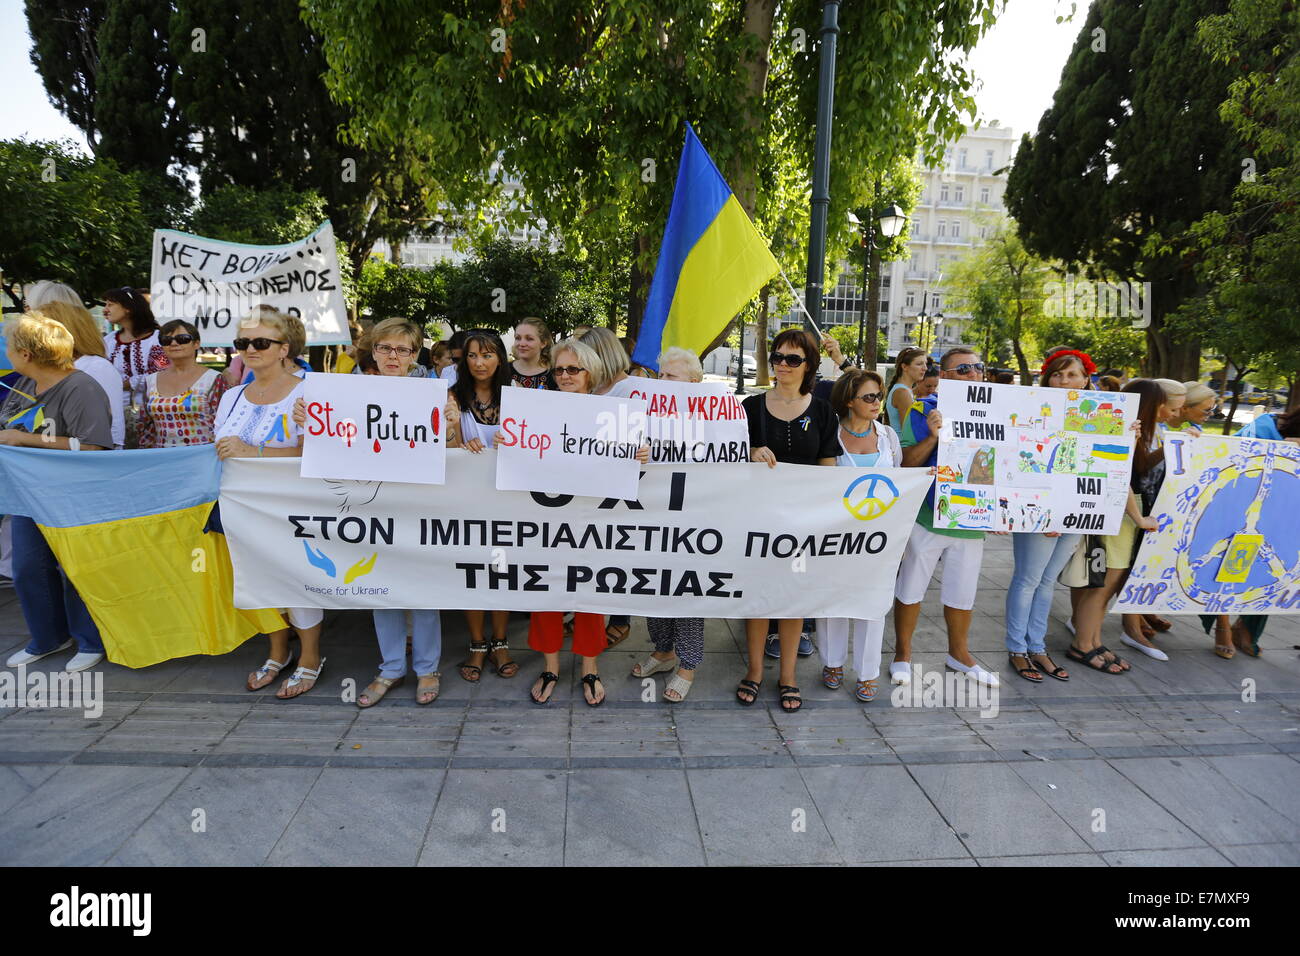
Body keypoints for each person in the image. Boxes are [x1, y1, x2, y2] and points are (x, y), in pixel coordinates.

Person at [295, 316, 446, 706]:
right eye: (385, 348)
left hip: (418, 503)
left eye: (402, 350)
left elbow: (450, 446)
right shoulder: (348, 392)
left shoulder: (434, 392)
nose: (393, 356)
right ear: (373, 351)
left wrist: (449, 425)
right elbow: (335, 442)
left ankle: (428, 668)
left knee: (422, 590)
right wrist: (311, 423)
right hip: (372, 505)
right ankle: (392, 667)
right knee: (381, 588)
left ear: (415, 356)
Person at [521, 336, 648, 706]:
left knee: (590, 594)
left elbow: (632, 463)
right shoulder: (537, 411)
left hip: (593, 519)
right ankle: (551, 667)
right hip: (546, 518)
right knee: (544, 593)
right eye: (559, 369)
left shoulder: (614, 414)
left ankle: (590, 668)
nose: (564, 375)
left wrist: (640, 453)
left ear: (589, 373)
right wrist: (506, 440)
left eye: (573, 369)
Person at [215, 306, 325, 699]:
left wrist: (253, 451)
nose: (250, 349)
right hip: (242, 507)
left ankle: (310, 657)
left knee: (298, 581)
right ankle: (277, 652)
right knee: (259, 580)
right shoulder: (230, 396)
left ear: (284, 348)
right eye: (242, 343)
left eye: (260, 342)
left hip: (292, 504)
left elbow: (319, 452)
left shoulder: (309, 391)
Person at [0, 312, 114, 673]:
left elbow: (93, 446)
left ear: (27, 353)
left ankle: (90, 640)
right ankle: (48, 639)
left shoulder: (81, 386)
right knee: (28, 569)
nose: (7, 352)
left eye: (10, 346)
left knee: (76, 570)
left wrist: (25, 439)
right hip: (29, 496)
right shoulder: (24, 385)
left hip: (72, 498)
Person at [739, 329, 839, 713]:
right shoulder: (749, 407)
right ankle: (753, 671)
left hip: (802, 524)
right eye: (778, 357)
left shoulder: (822, 412)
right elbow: (725, 455)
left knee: (793, 600)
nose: (782, 364)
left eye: (792, 359)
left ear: (808, 364)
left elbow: (828, 468)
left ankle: (788, 676)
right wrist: (749, 451)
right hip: (758, 520)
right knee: (759, 598)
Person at [893, 346, 1000, 688]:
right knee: (910, 588)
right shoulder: (922, 409)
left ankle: (959, 654)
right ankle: (902, 654)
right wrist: (933, 436)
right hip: (927, 515)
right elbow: (907, 463)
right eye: (963, 369)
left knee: (962, 593)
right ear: (946, 376)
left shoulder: (1000, 409)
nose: (973, 374)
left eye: (977, 367)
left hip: (972, 520)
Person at [1002, 348, 1095, 684]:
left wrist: (1130, 435)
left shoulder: (1100, 417)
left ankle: (1036, 646)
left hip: (1075, 512)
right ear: (1047, 378)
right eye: (1057, 374)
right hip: (1039, 510)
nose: (1064, 381)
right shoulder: (1031, 410)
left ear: (1086, 380)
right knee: (1028, 580)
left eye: (1072, 374)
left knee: (1045, 583)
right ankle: (1017, 649)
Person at [1068, 379, 1166, 672]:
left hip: (1122, 512)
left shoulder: (1135, 430)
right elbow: (1120, 476)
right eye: (1162, 404)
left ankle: (1093, 641)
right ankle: (1083, 645)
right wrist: (1138, 518)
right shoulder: (1125, 430)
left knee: (1106, 586)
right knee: (1101, 587)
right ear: (1150, 404)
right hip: (1119, 514)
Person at [630, 347, 709, 702]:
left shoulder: (715, 421)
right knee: (654, 586)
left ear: (694, 382)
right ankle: (663, 651)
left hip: (693, 519)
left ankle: (688, 665)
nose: (662, 383)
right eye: (660, 376)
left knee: (685, 590)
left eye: (671, 377)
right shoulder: (645, 415)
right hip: (653, 515)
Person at [818, 368, 903, 701]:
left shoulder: (887, 437)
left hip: (880, 539)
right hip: (837, 536)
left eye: (879, 396)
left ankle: (867, 672)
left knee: (874, 602)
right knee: (833, 599)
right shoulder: (831, 435)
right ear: (849, 401)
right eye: (869, 397)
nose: (877, 402)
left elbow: (900, 481)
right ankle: (833, 662)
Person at [446, 329, 519, 683]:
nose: (480, 363)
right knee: (473, 571)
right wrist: (459, 438)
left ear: (500, 359)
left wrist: (515, 443)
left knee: (501, 568)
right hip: (466, 500)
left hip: (506, 501)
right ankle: (477, 643)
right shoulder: (452, 397)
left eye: (488, 355)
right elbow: (443, 447)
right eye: (473, 355)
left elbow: (534, 446)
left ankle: (500, 642)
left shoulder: (516, 395)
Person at [578, 325, 636, 647]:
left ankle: (620, 617)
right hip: (592, 483)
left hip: (621, 484)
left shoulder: (629, 389)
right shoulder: (594, 388)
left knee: (619, 554)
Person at [33, 300, 126, 449]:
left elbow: (105, 438)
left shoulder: (96, 367)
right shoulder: (42, 369)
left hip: (84, 465)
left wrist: (23, 439)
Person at [135, 320, 228, 448]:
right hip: (162, 460)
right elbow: (145, 427)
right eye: (166, 340)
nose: (174, 343)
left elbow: (225, 426)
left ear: (196, 344)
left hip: (203, 459)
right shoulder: (150, 381)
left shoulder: (214, 379)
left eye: (182, 339)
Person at [101, 286, 168, 417]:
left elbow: (161, 372)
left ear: (128, 309)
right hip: (112, 409)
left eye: (110, 305)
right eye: (105, 305)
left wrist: (127, 384)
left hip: (149, 411)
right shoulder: (109, 340)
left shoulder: (156, 339)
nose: (105, 310)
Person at [884, 346, 927, 436]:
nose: (925, 368)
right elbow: (909, 432)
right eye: (919, 364)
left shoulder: (905, 390)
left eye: (925, 364)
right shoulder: (902, 392)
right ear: (904, 367)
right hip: (903, 448)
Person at [510, 316, 554, 389]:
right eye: (518, 338)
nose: (522, 344)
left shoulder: (556, 375)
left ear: (543, 343)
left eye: (529, 339)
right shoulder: (503, 370)